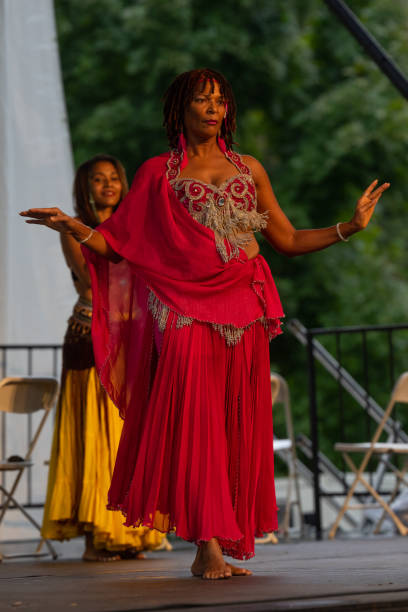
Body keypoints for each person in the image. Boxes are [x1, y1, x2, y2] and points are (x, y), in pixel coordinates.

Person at [21, 69, 389, 578]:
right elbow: (118, 245)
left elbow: (286, 240)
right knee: (197, 423)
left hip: (244, 306)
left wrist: (349, 226)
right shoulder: (157, 173)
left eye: (220, 100)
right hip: (181, 306)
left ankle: (228, 536)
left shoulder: (251, 168)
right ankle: (206, 545)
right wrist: (75, 226)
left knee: (235, 422)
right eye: (202, 99)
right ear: (181, 109)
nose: (214, 108)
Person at [40, 154, 165, 561]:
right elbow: (95, 277)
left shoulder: (136, 225)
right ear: (85, 186)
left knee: (127, 435)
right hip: (91, 335)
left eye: (114, 178)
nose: (108, 185)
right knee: (96, 436)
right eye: (98, 179)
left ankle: (133, 534)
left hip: (131, 338)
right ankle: (98, 536)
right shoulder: (75, 229)